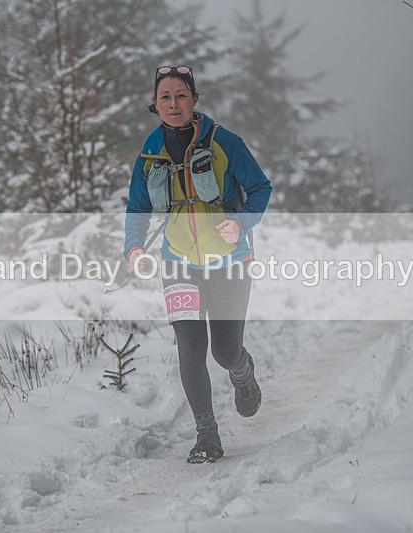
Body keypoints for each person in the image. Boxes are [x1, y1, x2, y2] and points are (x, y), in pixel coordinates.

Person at [123, 65, 272, 463]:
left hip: (229, 262)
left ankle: (242, 372)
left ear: (195, 100)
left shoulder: (225, 142)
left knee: (224, 352)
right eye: (165, 97)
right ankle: (207, 435)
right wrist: (133, 248)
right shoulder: (149, 152)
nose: (173, 104)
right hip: (177, 264)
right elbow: (137, 208)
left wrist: (239, 224)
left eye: (181, 96)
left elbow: (260, 187)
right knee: (190, 349)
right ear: (155, 105)